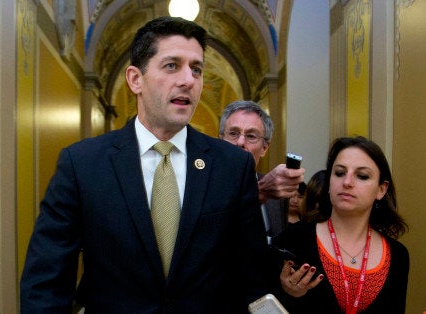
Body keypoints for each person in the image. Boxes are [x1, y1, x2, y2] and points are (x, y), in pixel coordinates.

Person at [20, 16, 269, 313]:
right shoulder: (82, 164)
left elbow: (253, 279)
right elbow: (46, 280)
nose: (188, 80)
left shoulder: (232, 166)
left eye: (197, 69)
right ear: (135, 79)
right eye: (172, 65)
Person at [271, 136, 409, 313]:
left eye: (362, 176)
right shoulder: (293, 240)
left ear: (381, 189)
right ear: (329, 183)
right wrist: (287, 294)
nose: (347, 182)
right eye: (339, 173)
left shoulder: (398, 255)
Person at [219, 100, 305, 243]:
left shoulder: (276, 192)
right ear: (220, 140)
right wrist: (260, 192)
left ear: (265, 147)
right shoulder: (201, 185)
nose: (240, 142)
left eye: (251, 136)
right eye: (233, 133)